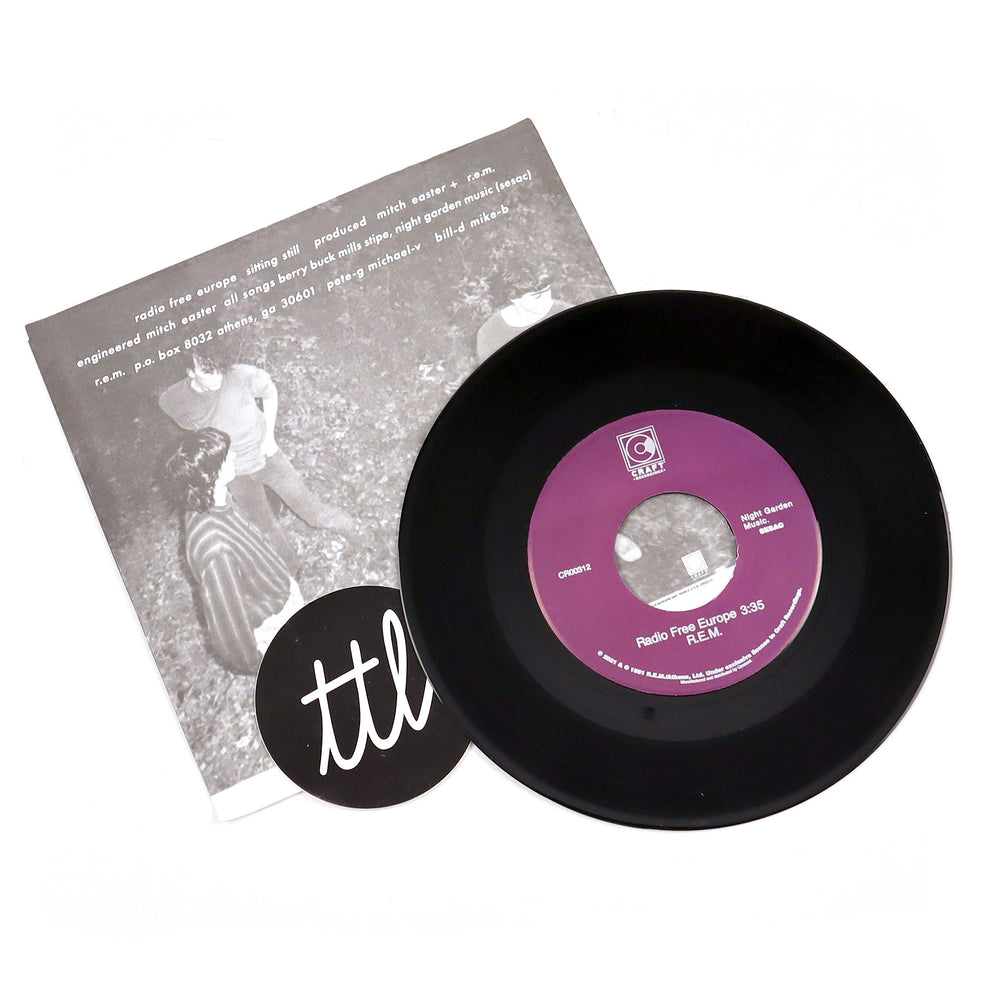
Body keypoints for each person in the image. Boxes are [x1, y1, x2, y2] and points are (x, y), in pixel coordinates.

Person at [159, 352, 353, 569]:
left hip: (268, 458)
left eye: (218, 370)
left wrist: (269, 438)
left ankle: (361, 536)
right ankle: (293, 572)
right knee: (265, 527)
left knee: (312, 512)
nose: (216, 378)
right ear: (190, 372)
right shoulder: (174, 398)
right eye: (206, 372)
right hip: (235, 473)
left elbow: (269, 391)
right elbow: (174, 412)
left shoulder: (238, 375)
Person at [166, 428, 304, 676]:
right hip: (274, 623)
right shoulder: (214, 546)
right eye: (226, 455)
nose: (233, 455)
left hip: (281, 598)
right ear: (209, 475)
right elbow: (227, 620)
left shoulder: (215, 500)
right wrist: (254, 661)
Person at [475, 261, 573, 362]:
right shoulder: (490, 332)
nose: (547, 299)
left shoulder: (567, 313)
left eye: (548, 290)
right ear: (514, 297)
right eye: (537, 296)